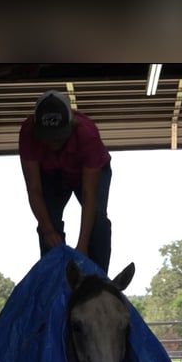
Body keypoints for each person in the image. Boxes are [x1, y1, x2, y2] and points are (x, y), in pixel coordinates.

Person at [18, 89, 113, 273]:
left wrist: (82, 246)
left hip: (89, 173)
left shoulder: (88, 134)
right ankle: (54, 274)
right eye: (47, 137)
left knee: (98, 221)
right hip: (51, 173)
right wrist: (48, 230)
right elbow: (34, 189)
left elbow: (89, 194)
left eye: (59, 136)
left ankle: (98, 278)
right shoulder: (27, 133)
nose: (53, 142)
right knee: (48, 221)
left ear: (71, 126)